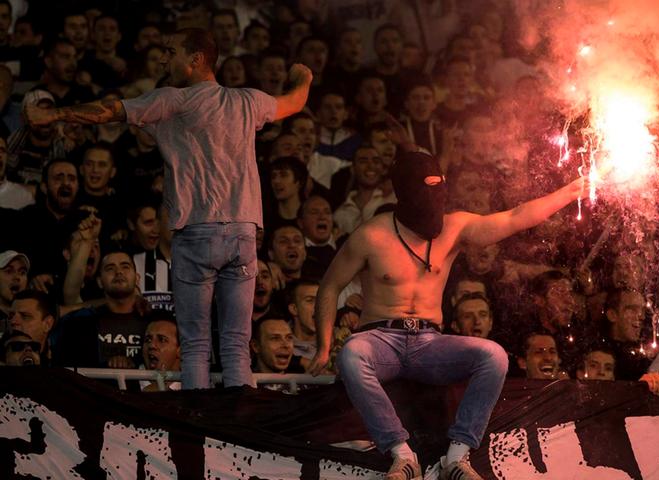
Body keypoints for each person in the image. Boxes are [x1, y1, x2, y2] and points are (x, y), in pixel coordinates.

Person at [25, 28, 313, 389]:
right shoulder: (247, 101)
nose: (163, 58)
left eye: (170, 51)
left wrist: (54, 115)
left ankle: (196, 438)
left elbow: (108, 111)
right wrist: (303, 75)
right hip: (242, 234)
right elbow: (295, 101)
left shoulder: (171, 101)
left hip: (196, 233)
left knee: (194, 347)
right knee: (237, 345)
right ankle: (239, 431)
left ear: (195, 60)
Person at [308, 146, 588, 480]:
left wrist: (571, 191)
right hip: (380, 338)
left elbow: (514, 218)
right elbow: (329, 287)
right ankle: (402, 454)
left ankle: (456, 458)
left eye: (439, 188)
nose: (435, 200)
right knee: (352, 354)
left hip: (429, 342)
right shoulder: (371, 235)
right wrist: (324, 345)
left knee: (494, 355)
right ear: (407, 193)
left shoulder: (455, 227)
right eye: (426, 189)